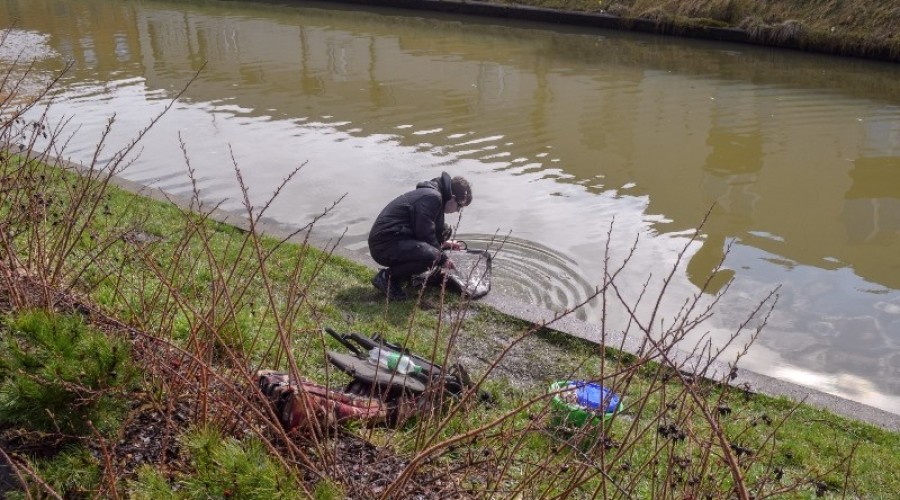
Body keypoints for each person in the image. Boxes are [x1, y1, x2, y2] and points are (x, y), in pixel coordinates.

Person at [368, 172, 472, 300]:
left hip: (394, 239)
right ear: (453, 197)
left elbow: (428, 230)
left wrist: (445, 244)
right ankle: (387, 277)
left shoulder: (435, 195)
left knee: (444, 231)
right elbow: (424, 233)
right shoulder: (432, 197)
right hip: (383, 245)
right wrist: (443, 259)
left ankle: (404, 273)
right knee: (432, 257)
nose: (457, 211)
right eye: (459, 206)